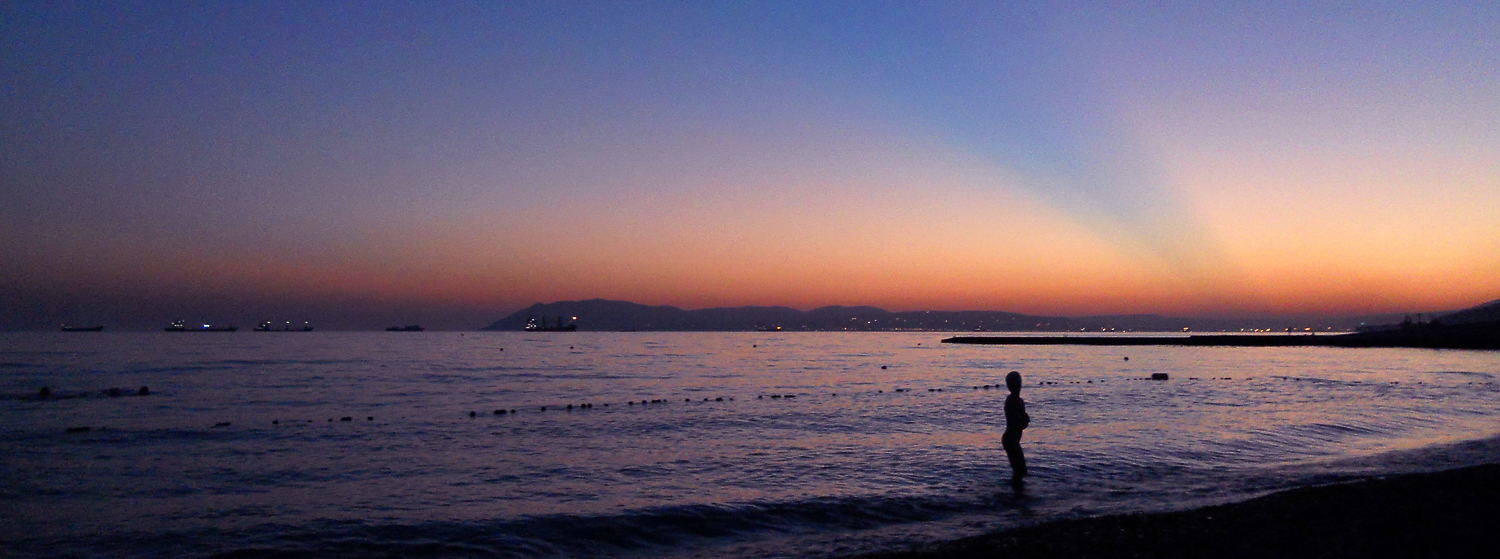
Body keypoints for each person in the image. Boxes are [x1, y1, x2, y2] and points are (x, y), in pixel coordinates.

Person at [1002, 370, 1029, 486]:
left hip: (1014, 439)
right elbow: (1018, 422)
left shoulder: (1019, 401)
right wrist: (1024, 420)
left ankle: (1016, 491)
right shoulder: (1011, 401)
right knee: (1020, 470)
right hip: (1010, 440)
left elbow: (1023, 421)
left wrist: (1024, 420)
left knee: (1020, 470)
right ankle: (1015, 491)